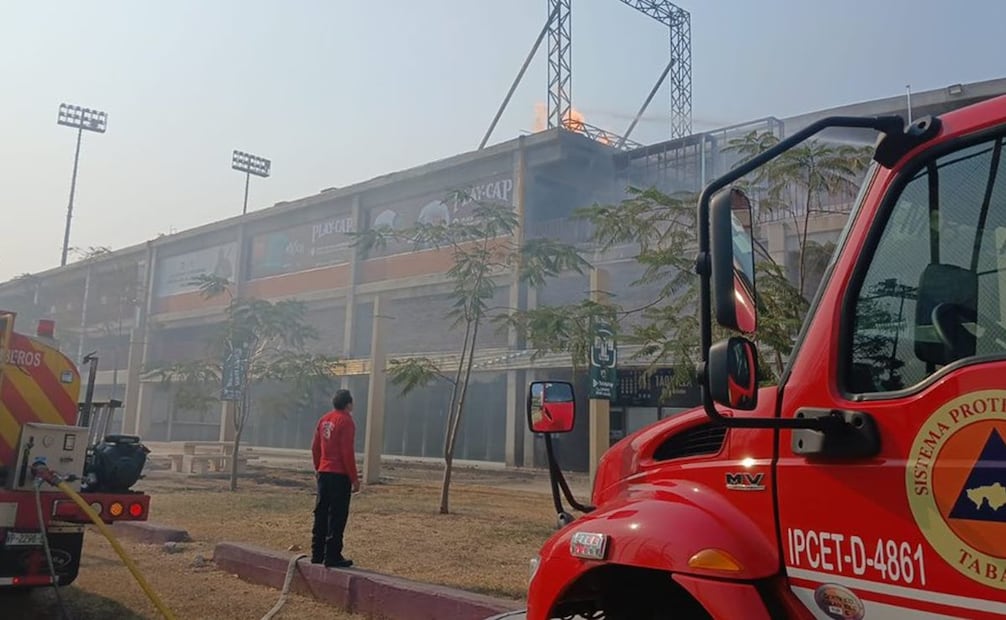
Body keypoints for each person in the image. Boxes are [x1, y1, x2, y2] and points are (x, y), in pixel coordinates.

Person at [310, 389, 360, 568]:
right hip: (339, 475)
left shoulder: (324, 419)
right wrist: (354, 478)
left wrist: (318, 467)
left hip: (324, 472)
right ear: (348, 404)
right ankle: (332, 555)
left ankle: (317, 553)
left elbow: (315, 447)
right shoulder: (346, 421)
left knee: (321, 513)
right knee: (337, 515)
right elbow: (347, 452)